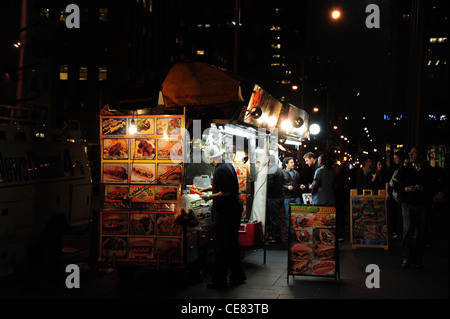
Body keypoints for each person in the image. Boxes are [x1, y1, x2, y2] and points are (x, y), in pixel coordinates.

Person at [197, 144, 246, 288]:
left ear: (210, 158)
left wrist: (209, 196)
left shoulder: (220, 170)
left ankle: (220, 280)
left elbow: (226, 192)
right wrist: (205, 188)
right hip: (233, 209)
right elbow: (224, 187)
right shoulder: (227, 165)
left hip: (227, 211)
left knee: (221, 246)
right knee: (231, 244)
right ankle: (238, 275)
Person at [393, 146, 440, 269]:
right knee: (408, 230)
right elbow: (396, 185)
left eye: (414, 153)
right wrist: (406, 189)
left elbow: (436, 184)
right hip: (408, 203)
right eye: (410, 153)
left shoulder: (428, 170)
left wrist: (427, 191)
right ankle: (406, 257)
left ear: (420, 155)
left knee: (420, 233)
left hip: (422, 205)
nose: (411, 155)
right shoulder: (405, 169)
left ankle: (417, 258)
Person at [386, 150, 405, 239]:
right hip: (394, 193)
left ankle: (399, 230)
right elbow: (388, 181)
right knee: (394, 213)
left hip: (400, 193)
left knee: (400, 213)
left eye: (396, 158)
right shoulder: (393, 168)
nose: (395, 160)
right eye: (394, 158)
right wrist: (387, 192)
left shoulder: (403, 167)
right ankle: (394, 230)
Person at [266, 155, 285, 244]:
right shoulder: (278, 169)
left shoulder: (271, 170)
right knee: (277, 217)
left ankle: (276, 237)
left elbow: (270, 184)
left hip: (274, 197)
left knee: (274, 218)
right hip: (279, 196)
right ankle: (277, 236)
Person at [282, 157, 301, 239]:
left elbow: (299, 183)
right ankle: (287, 233)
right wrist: (286, 187)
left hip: (296, 196)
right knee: (287, 216)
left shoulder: (296, 173)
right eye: (291, 162)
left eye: (293, 162)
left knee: (299, 215)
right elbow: (279, 185)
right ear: (286, 164)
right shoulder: (282, 173)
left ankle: (298, 233)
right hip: (287, 197)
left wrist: (301, 186)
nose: (293, 164)